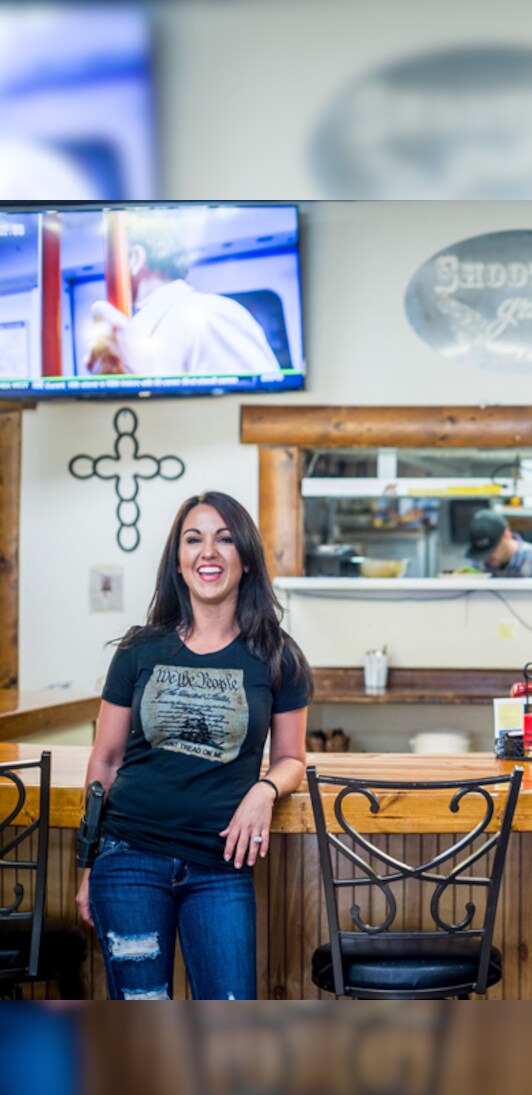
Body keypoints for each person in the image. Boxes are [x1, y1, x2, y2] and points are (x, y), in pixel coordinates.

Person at [75, 491, 310, 999]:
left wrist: (265, 790)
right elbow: (106, 759)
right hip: (129, 857)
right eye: (194, 539)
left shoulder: (276, 656)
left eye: (225, 539)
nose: (209, 551)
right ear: (178, 562)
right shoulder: (140, 649)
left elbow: (292, 759)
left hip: (219, 869)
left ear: (245, 560)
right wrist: (88, 864)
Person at [87, 214, 280, 377]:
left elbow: (261, 417)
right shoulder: (139, 333)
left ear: (136, 259)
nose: (107, 275)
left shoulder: (211, 316)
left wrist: (141, 380)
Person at [466, 509, 532, 577]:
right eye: (482, 553)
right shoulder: (475, 563)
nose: (487, 557)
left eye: (492, 549)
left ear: (506, 535)